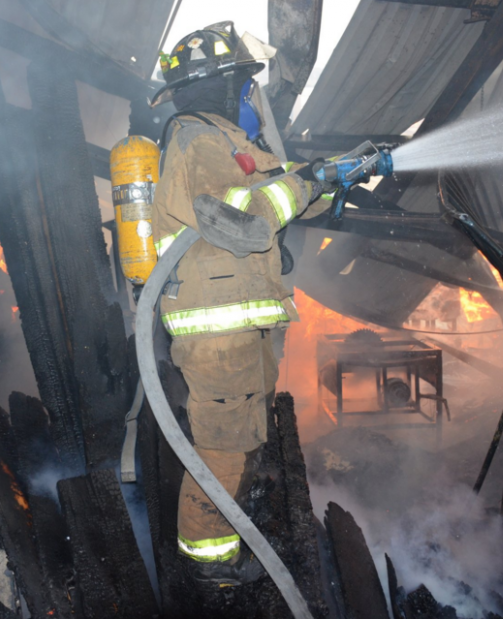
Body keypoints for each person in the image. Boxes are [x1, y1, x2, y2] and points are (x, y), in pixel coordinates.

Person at [151, 21, 333, 585]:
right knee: (225, 442)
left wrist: (333, 176)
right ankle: (211, 567)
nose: (250, 95)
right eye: (243, 83)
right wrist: (307, 184)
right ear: (225, 85)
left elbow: (281, 196)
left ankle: (227, 539)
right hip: (216, 330)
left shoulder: (227, 142)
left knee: (243, 436)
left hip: (235, 324)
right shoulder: (198, 136)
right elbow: (244, 222)